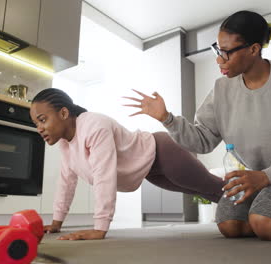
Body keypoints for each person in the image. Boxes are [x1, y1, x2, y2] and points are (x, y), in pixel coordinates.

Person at [124, 10, 271, 241]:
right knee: (230, 226)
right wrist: (167, 118)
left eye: (227, 52)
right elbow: (203, 140)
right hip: (265, 178)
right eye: (218, 50)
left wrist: (267, 176)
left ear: (254, 49)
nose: (219, 59)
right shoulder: (222, 90)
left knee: (265, 224)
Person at [29, 88, 224, 240]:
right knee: (202, 191)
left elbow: (104, 176)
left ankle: (251, 199)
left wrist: (100, 227)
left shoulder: (93, 125)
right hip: (150, 170)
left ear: (63, 113)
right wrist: (57, 222)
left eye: (42, 120)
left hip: (163, 151)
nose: (39, 129)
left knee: (213, 186)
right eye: (36, 124)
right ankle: (243, 212)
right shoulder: (66, 144)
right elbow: (66, 182)